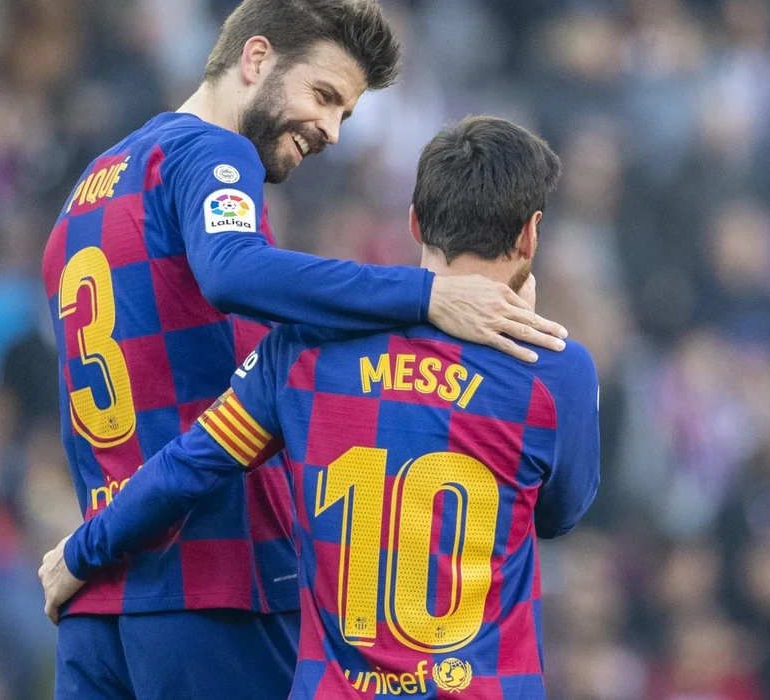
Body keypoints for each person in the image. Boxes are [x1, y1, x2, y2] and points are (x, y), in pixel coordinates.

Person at [40, 1, 568, 698]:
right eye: (323, 95)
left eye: (345, 113)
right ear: (256, 58)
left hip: (96, 592)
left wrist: (89, 547)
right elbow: (233, 271)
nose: (330, 130)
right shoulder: (210, 151)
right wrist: (427, 295)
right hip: (215, 586)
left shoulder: (91, 188)